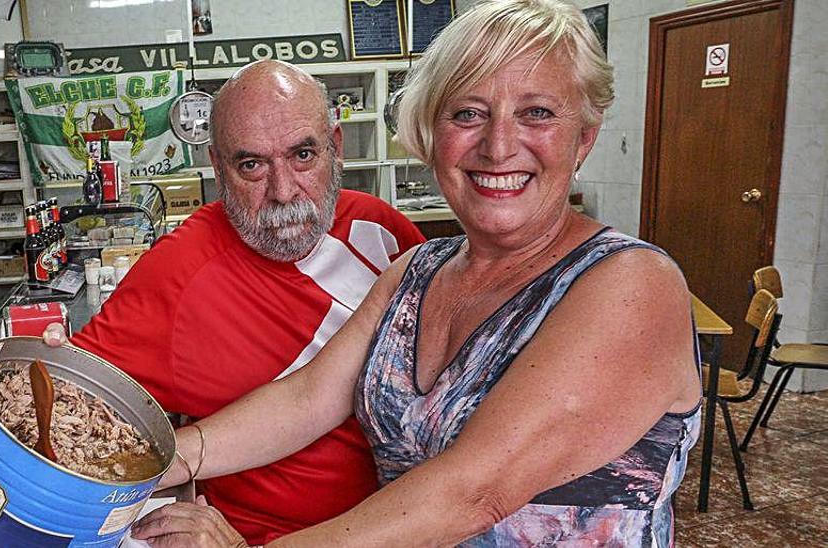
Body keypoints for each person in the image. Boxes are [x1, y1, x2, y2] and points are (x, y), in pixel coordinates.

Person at [125, 1, 702, 546]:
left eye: (537, 113)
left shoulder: (631, 285)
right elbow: (307, 399)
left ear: (584, 138)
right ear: (432, 134)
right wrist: (166, 458)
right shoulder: (418, 269)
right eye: (469, 114)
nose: (498, 146)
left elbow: (475, 493)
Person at [46, 60, 427, 544]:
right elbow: (66, 406)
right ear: (217, 167)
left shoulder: (381, 231)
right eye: (251, 165)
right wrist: (47, 365)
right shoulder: (179, 275)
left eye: (303, 155)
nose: (283, 192)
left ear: (335, 147)